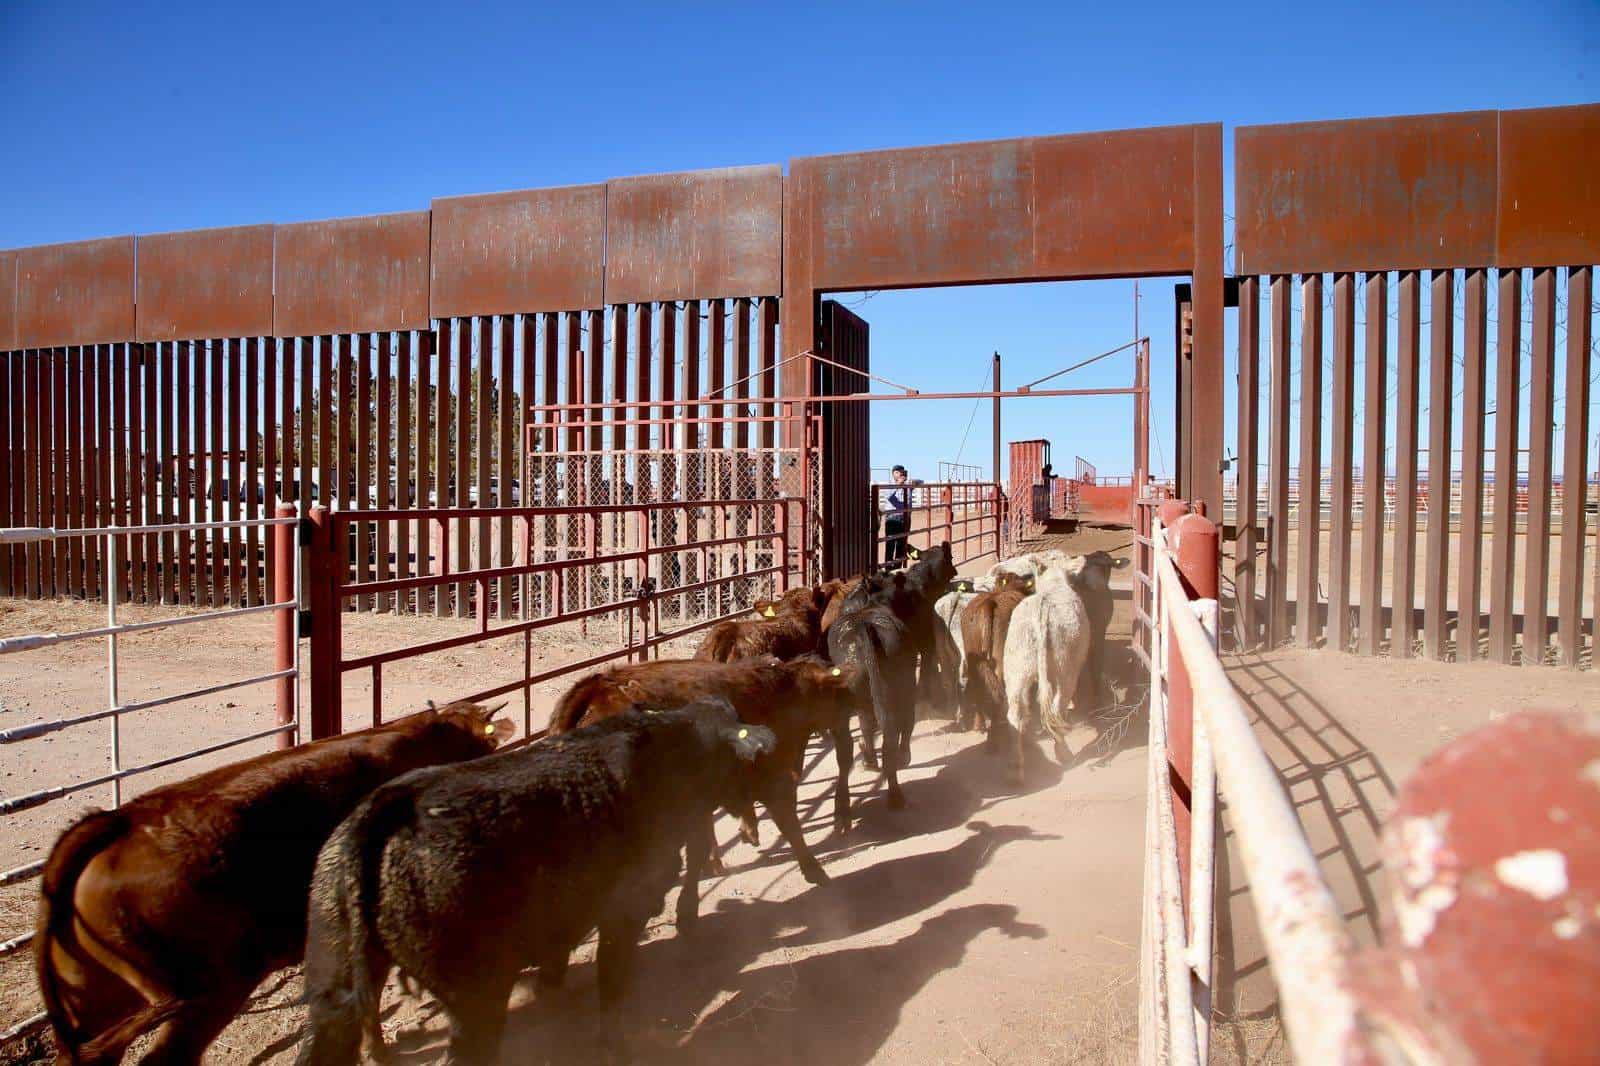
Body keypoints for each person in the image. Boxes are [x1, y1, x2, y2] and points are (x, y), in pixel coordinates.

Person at [884, 465, 912, 568]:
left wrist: (914, 482)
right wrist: (898, 484)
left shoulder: (908, 486)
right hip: (892, 518)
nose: (900, 474)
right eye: (897, 472)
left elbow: (921, 482)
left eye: (902, 472)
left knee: (901, 545)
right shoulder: (889, 485)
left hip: (905, 518)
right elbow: (888, 496)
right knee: (890, 545)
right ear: (893, 474)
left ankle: (897, 570)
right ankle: (888, 570)